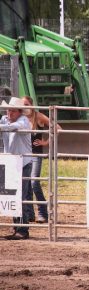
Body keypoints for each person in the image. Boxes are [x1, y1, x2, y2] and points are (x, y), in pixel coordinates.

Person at [22, 96, 61, 223]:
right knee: (26, 183)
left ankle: (43, 212)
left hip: (36, 155)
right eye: (23, 105)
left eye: (27, 105)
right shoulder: (21, 118)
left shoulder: (38, 116)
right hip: (24, 154)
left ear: (32, 105)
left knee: (34, 182)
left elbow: (57, 128)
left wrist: (45, 142)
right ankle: (29, 213)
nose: (25, 107)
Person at [0, 97, 32, 240]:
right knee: (12, 196)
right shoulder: (5, 120)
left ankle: (23, 229)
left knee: (21, 196)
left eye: (13, 110)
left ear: (20, 112)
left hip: (23, 163)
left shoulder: (24, 121)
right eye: (8, 110)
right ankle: (17, 227)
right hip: (11, 162)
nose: (9, 113)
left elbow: (16, 127)